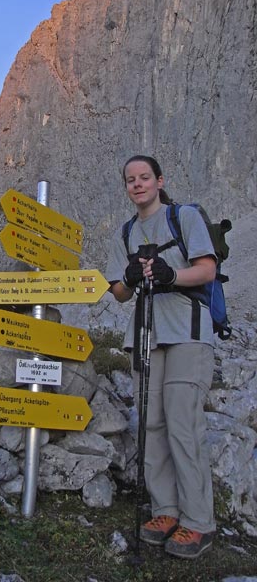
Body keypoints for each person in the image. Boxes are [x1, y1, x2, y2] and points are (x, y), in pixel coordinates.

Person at [105, 155, 216, 560]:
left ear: (159, 181)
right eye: (130, 179)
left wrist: (170, 275)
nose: (137, 185)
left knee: (182, 425)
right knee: (151, 425)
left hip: (187, 333)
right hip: (146, 338)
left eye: (144, 177)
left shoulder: (183, 217)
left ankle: (198, 522)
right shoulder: (125, 232)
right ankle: (165, 512)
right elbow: (118, 292)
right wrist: (131, 279)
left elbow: (205, 270)